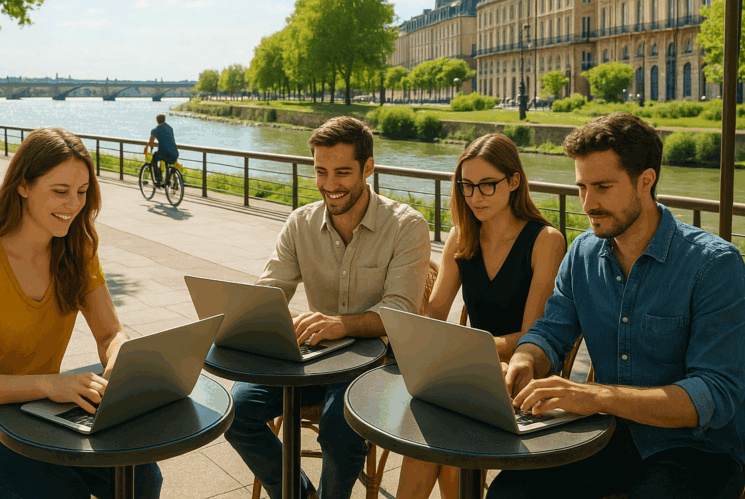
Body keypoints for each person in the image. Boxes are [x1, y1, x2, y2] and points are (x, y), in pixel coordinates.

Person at [489, 113, 745, 499]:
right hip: (609, 434)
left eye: (602, 187)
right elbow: (551, 331)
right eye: (581, 187)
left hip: (698, 450)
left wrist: (594, 396)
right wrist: (525, 361)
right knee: (509, 492)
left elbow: (714, 394)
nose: (587, 203)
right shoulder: (582, 252)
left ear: (645, 181)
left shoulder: (714, 265)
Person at [0, 128, 163, 499]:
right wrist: (50, 384)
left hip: (36, 414)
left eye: (82, 192)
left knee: (143, 477)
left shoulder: (76, 252)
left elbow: (109, 333)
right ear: (23, 186)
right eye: (60, 191)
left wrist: (117, 360)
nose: (74, 204)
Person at [224, 116, 432, 499]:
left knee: (341, 427)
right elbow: (269, 292)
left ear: (368, 168)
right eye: (321, 171)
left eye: (342, 172)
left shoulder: (407, 227)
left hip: (378, 362)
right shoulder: (299, 223)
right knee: (234, 409)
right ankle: (297, 494)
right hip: (313, 357)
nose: (329, 185)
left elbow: (401, 313)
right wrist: (259, 316)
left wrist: (341, 324)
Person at [395, 133, 566, 499]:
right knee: (431, 437)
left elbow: (531, 335)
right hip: (469, 370)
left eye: (487, 186)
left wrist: (466, 350)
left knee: (439, 436)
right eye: (467, 186)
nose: (475, 197)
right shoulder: (462, 236)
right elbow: (435, 311)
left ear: (514, 181)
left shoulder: (546, 240)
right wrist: (416, 341)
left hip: (523, 376)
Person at [144, 113, 178, 185]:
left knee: (154, 159)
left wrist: (148, 147)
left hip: (164, 153)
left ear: (157, 121)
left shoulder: (156, 130)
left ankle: (158, 179)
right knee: (166, 162)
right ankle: (167, 180)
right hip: (175, 153)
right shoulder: (170, 128)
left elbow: (151, 141)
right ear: (164, 120)